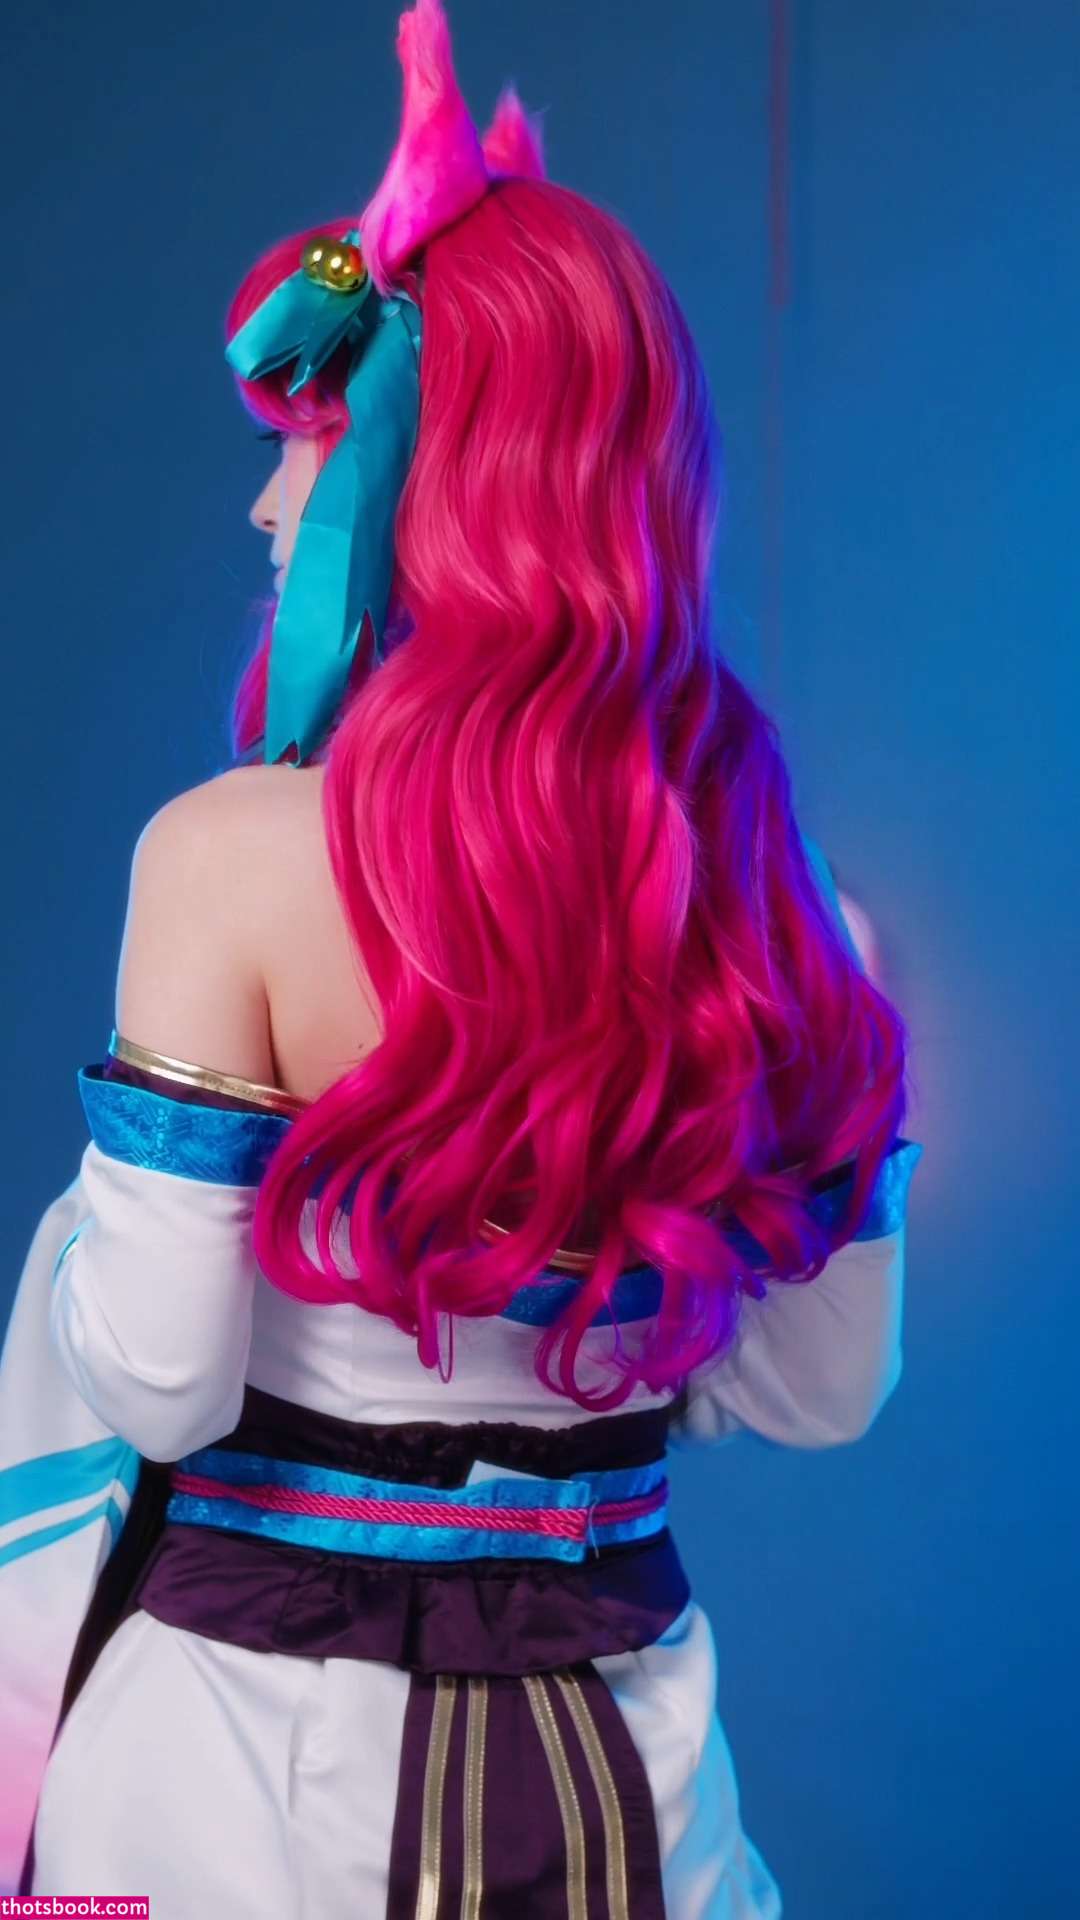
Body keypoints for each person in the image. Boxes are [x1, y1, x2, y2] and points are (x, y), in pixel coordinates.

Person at [0, 2, 923, 1913]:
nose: (268, 507)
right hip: (636, 1787)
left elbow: (154, 1384)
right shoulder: (800, 919)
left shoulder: (228, 859)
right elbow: (823, 1395)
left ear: (429, 483)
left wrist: (86, 1235)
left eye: (313, 447)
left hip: (239, 1786)